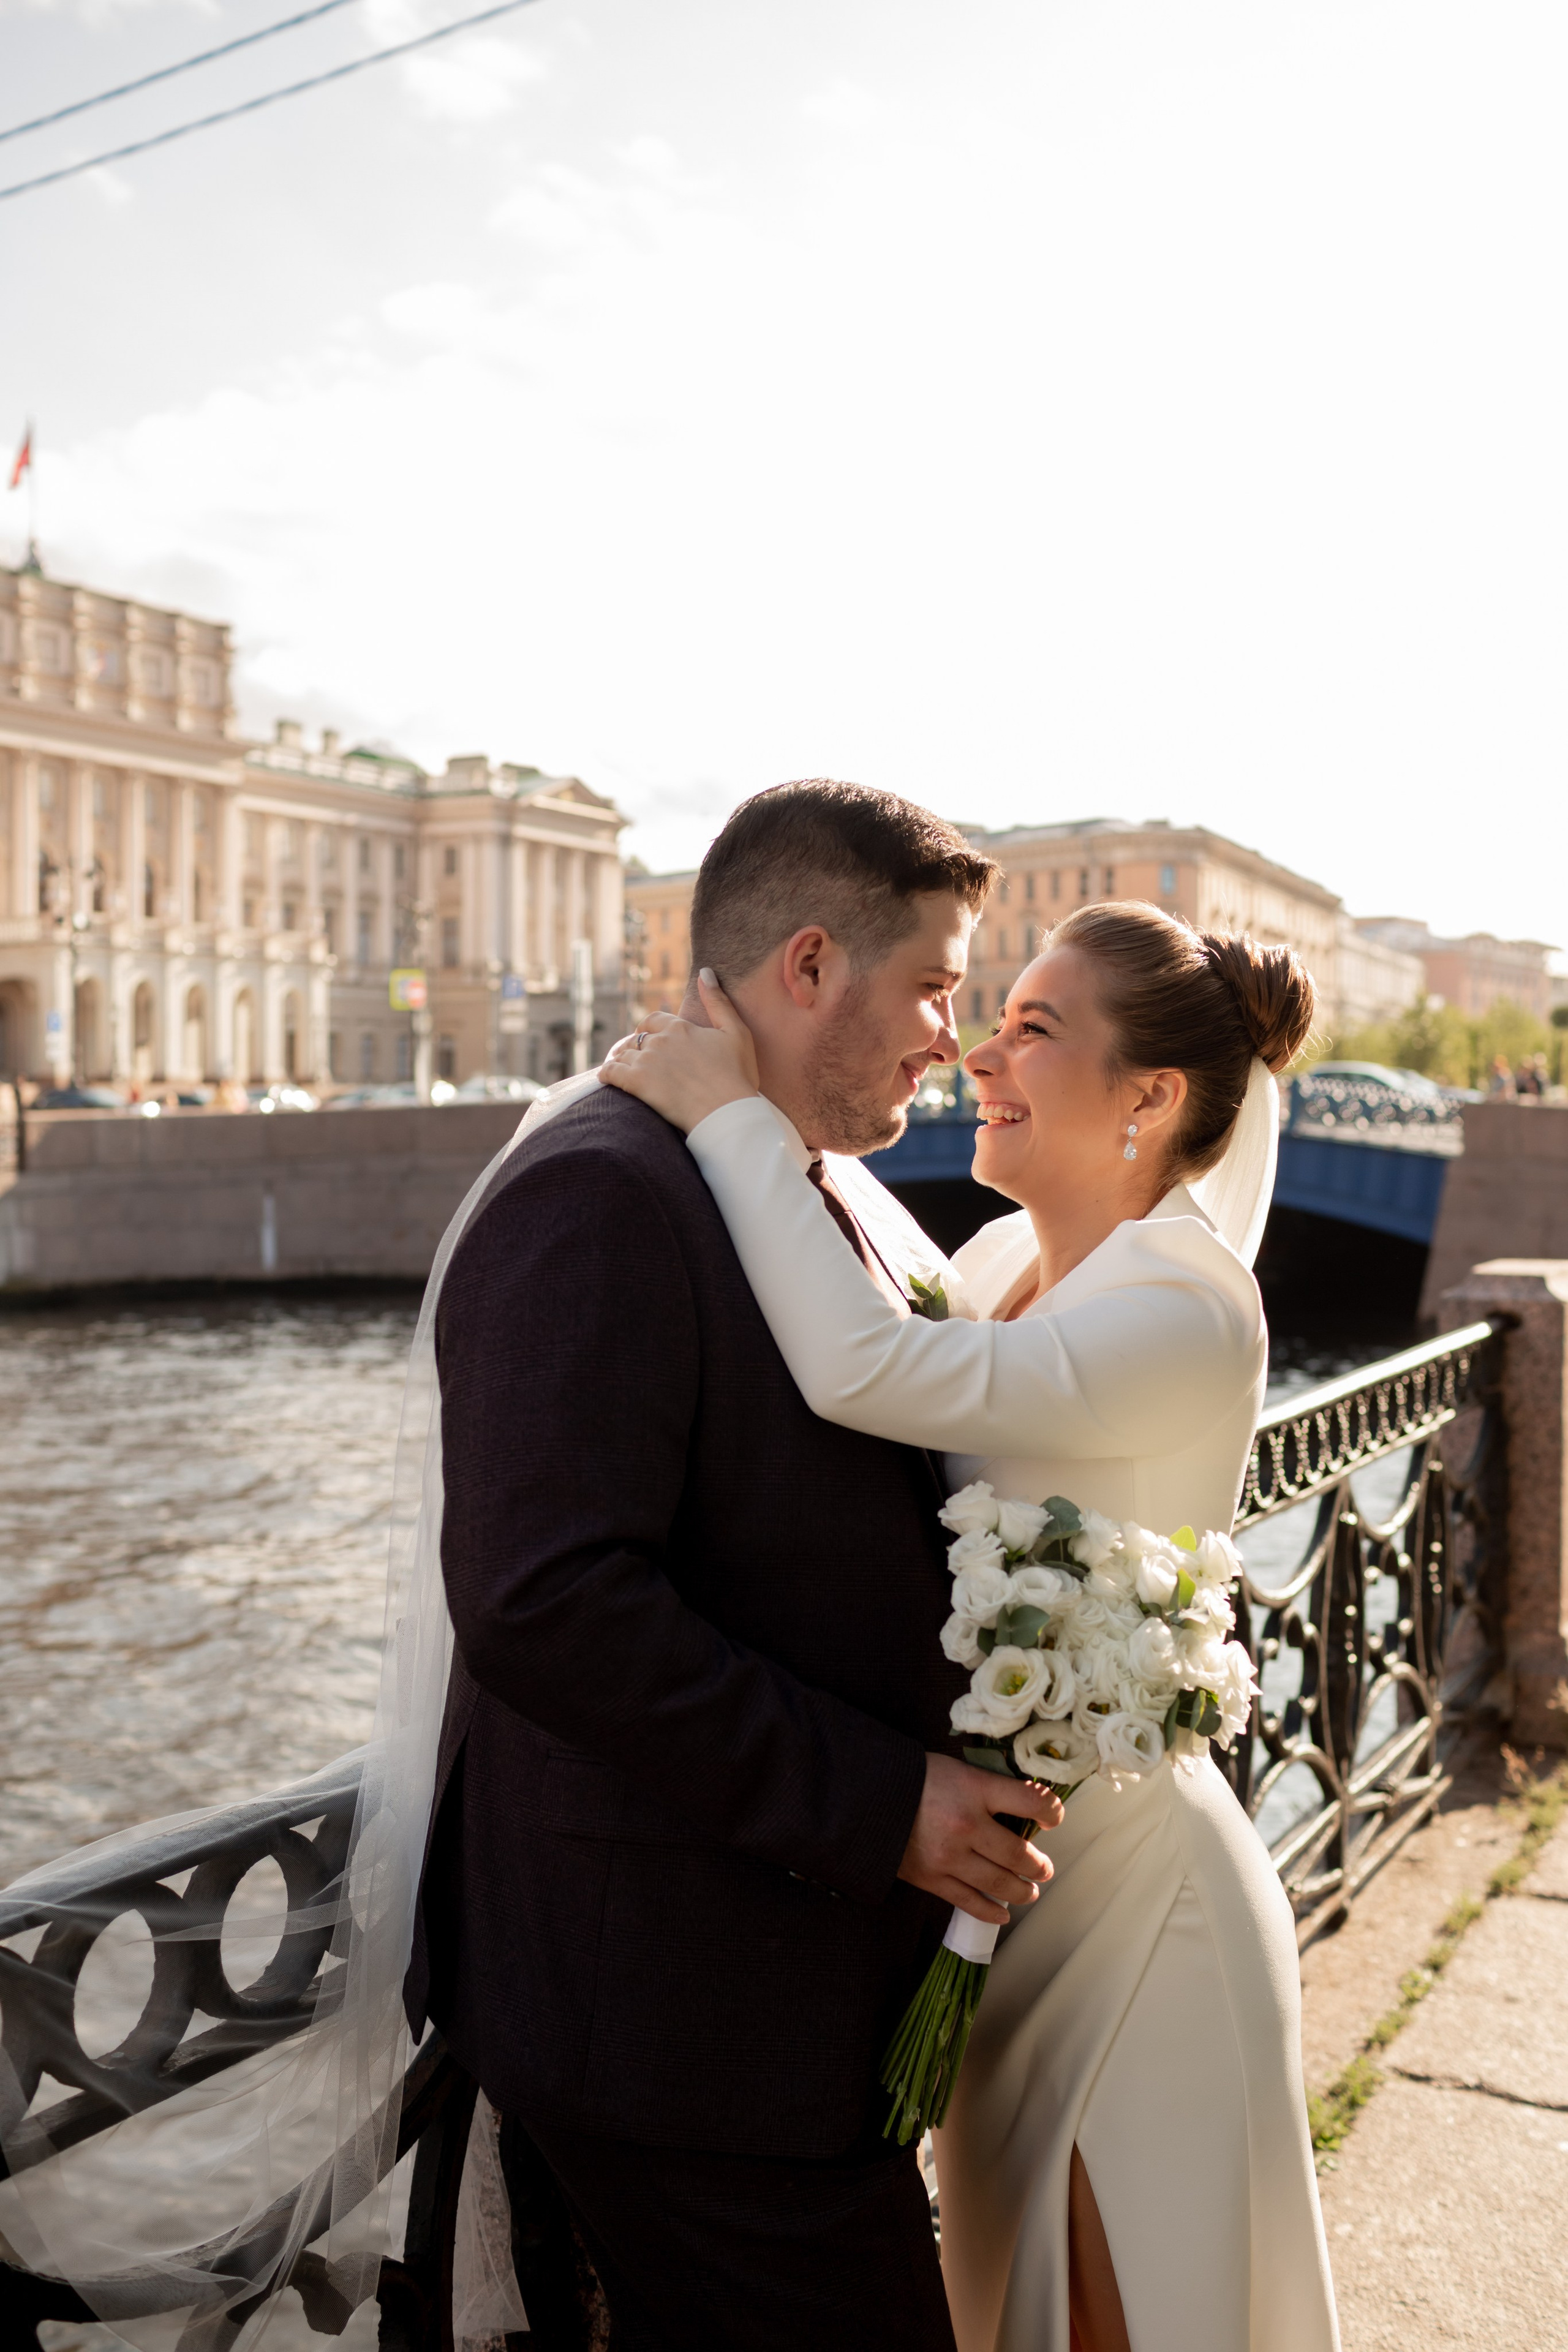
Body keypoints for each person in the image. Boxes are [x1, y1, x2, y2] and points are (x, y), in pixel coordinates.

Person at [603, 900, 1341, 2352]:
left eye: (1032, 1029)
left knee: (1122, 2302)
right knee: (1012, 2301)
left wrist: (728, 1114)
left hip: (1136, 1904)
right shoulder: (1000, 1263)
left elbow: (858, 1365)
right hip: (1006, 1896)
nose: (979, 1055)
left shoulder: (1190, 1305)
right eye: (992, 1017)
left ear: (1149, 1098)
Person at [412, 780, 1066, 2350]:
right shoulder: (599, 1190)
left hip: (772, 1997)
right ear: (807, 965)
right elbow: (543, 1600)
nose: (951, 1036)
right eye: (931, 984)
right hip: (673, 2018)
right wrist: (883, 1800)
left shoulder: (801, 1175)